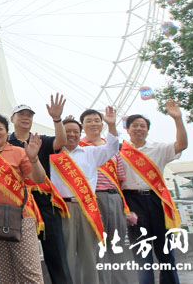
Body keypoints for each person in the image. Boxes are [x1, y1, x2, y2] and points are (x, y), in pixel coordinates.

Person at [7, 94, 73, 284]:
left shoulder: (39, 140)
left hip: (45, 202)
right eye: (21, 115)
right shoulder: (6, 144)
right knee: (21, 255)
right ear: (13, 119)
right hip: (18, 204)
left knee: (56, 253)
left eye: (29, 115)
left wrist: (57, 119)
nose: (26, 118)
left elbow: (60, 141)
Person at [121, 99, 187, 284]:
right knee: (141, 253)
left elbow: (181, 145)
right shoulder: (119, 152)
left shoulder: (159, 148)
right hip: (133, 202)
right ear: (128, 128)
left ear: (147, 130)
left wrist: (178, 119)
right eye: (135, 125)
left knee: (166, 251)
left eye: (143, 126)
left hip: (158, 201)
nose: (139, 129)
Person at [50, 109, 120, 284]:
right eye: (68, 132)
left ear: (80, 134)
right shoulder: (51, 156)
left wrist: (111, 125)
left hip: (87, 207)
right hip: (63, 210)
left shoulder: (91, 153)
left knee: (90, 254)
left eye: (76, 132)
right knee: (66, 254)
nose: (72, 135)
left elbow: (112, 148)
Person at [0, 114, 45, 284]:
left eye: (0, 128)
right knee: (4, 274)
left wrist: (34, 159)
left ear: (7, 132)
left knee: (30, 273)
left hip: (21, 217)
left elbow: (39, 179)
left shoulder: (19, 152)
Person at [79, 108, 128, 284]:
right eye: (88, 121)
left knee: (117, 245)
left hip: (114, 198)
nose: (93, 124)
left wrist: (126, 207)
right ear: (82, 126)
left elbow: (120, 179)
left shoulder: (113, 147)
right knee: (96, 246)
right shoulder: (77, 148)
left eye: (96, 120)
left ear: (102, 123)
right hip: (91, 200)